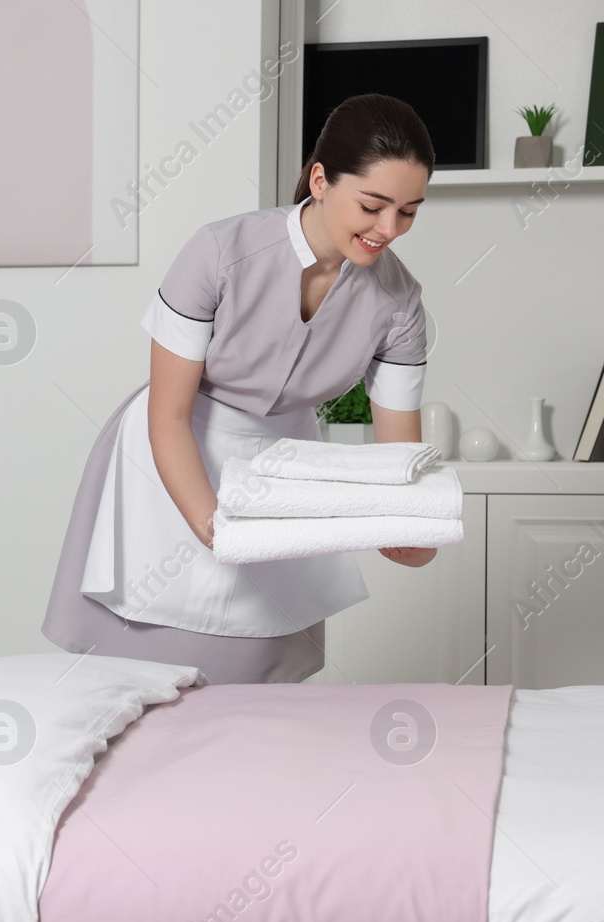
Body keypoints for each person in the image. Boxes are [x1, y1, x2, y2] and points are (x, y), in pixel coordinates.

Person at [42, 93, 438, 684]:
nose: (389, 230)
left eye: (408, 211)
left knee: (259, 682)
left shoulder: (399, 301)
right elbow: (167, 414)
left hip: (284, 475)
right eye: (374, 205)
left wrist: (409, 528)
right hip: (174, 451)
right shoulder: (220, 253)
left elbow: (398, 459)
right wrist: (214, 526)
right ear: (321, 179)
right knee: (138, 671)